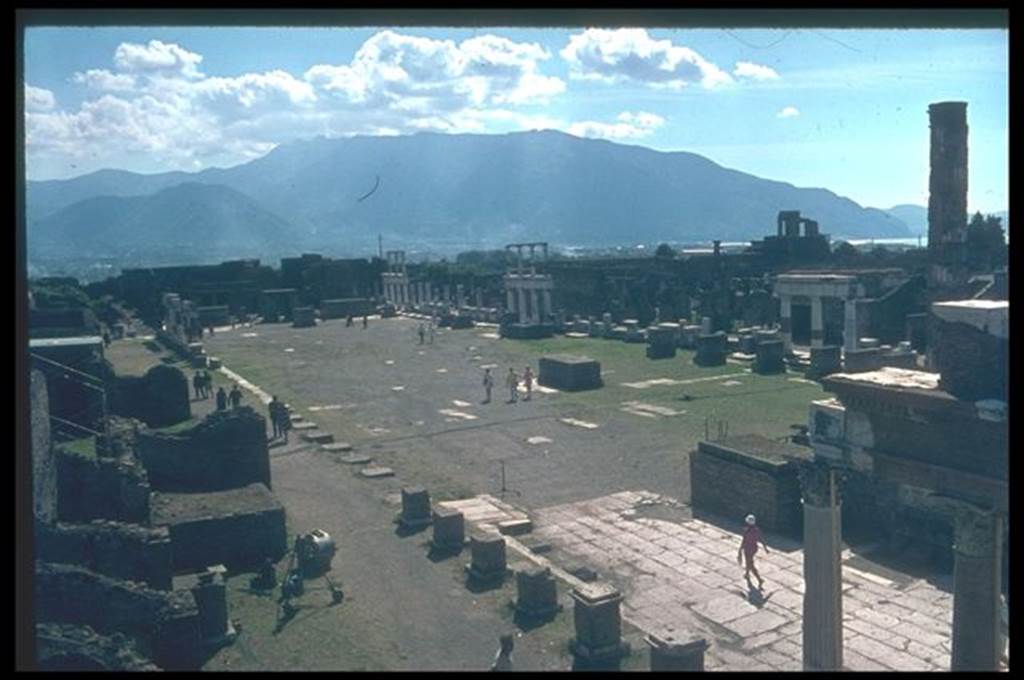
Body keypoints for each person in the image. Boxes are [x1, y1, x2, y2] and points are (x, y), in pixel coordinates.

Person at [738, 514, 769, 589]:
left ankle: (759, 579)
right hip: (754, 548)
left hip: (748, 548)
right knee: (748, 561)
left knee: (750, 564)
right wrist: (765, 548)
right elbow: (761, 539)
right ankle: (747, 574)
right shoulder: (756, 530)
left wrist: (740, 549)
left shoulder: (746, 530)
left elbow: (744, 540)